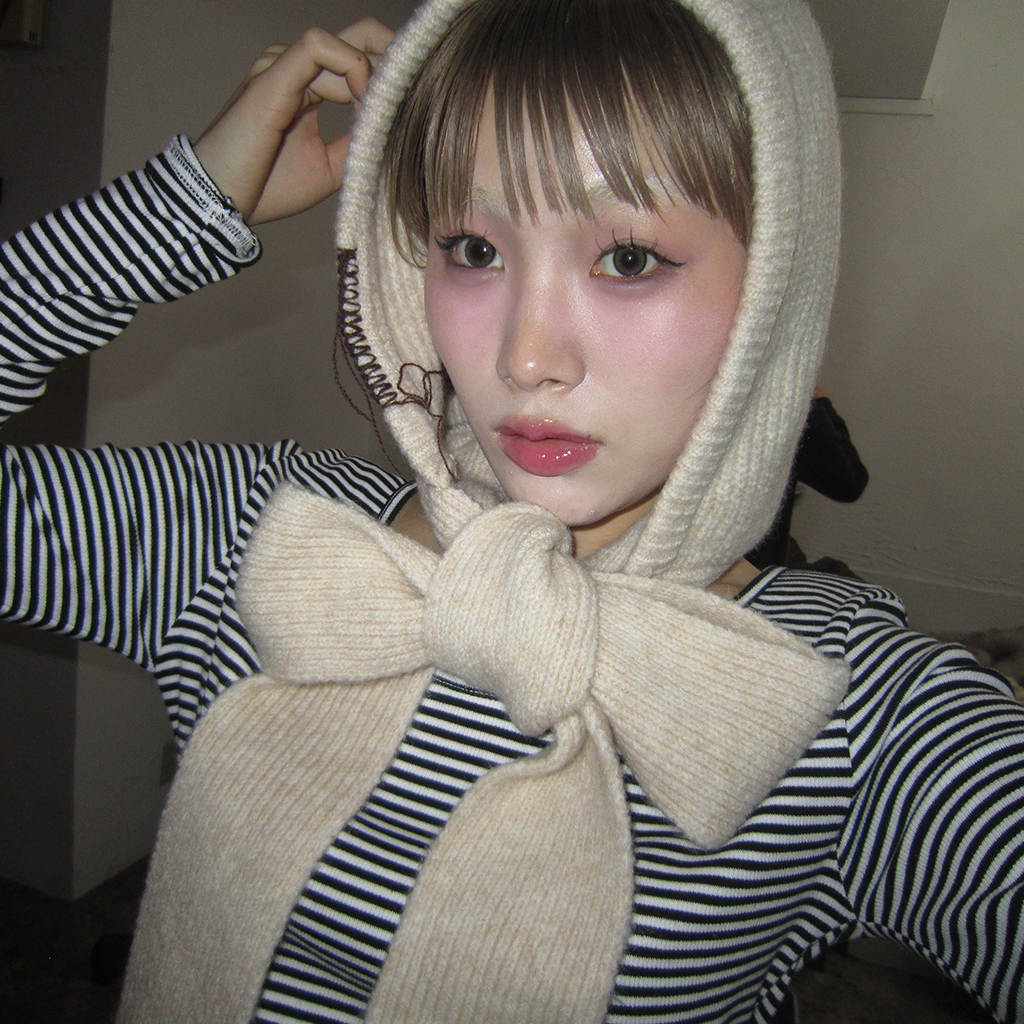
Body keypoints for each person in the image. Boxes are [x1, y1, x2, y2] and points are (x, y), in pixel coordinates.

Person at [1, 1, 1021, 1022]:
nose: (525, 358)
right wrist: (181, 207)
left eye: (628, 258)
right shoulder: (253, 533)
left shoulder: (852, 712)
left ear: (777, 286)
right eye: (473, 248)